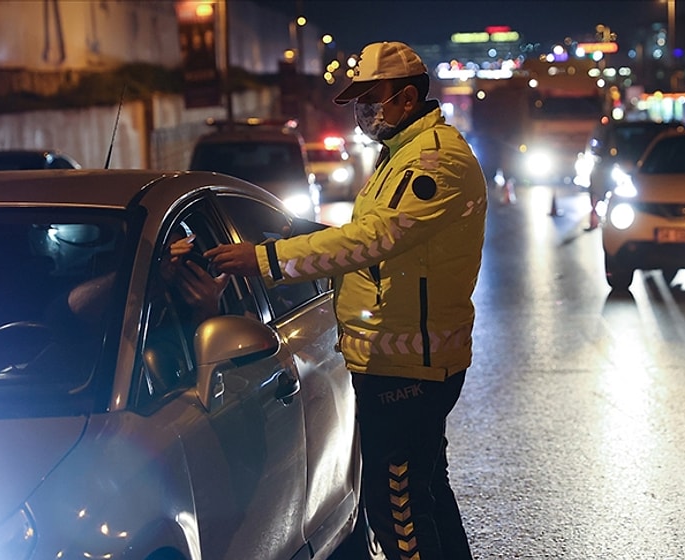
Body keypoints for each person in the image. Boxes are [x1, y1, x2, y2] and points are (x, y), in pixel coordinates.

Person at [204, 41, 486, 559]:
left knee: (396, 506)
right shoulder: (399, 154)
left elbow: (372, 240)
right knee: (424, 493)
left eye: (370, 97)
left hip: (409, 366)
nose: (363, 110)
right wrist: (270, 237)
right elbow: (362, 235)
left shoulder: (434, 161)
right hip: (399, 359)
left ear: (405, 98)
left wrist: (267, 259)